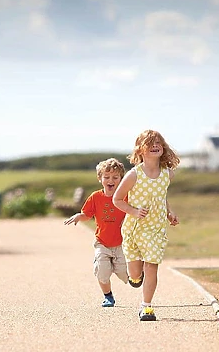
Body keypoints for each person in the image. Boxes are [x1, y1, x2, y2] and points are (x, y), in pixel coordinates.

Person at [113, 129, 180, 321]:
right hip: (134, 229)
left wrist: (169, 212)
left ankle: (146, 306)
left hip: (156, 229)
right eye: (150, 143)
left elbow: (161, 196)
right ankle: (135, 277)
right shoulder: (134, 175)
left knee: (152, 266)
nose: (155, 146)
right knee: (135, 272)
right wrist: (133, 211)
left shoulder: (168, 174)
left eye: (158, 142)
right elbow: (117, 200)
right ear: (140, 150)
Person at [64, 158, 129, 308]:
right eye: (106, 177)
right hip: (102, 243)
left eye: (115, 177)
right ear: (100, 179)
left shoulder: (126, 196)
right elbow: (87, 214)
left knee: (123, 274)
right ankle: (108, 296)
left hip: (122, 243)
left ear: (121, 179)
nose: (110, 180)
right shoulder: (95, 197)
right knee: (102, 271)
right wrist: (79, 216)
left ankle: (139, 274)